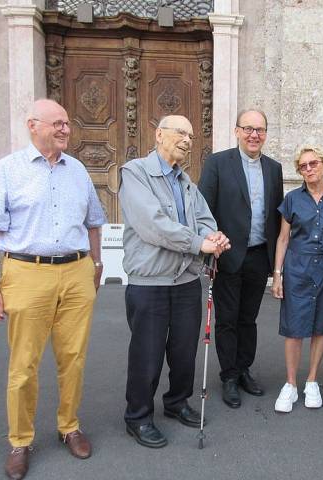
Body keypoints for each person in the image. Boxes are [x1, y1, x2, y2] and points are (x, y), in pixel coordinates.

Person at [0, 99, 106, 480]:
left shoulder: (78, 170)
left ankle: (70, 426)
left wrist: (96, 266)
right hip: (26, 272)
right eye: (57, 123)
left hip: (76, 271)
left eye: (67, 123)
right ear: (33, 125)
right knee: (23, 366)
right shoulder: (8, 170)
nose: (66, 129)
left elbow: (94, 222)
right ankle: (20, 440)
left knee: (74, 358)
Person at [119, 115, 230, 448]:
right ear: (159, 134)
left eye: (192, 135)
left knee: (183, 352)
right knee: (147, 354)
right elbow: (153, 224)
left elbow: (205, 221)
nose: (187, 140)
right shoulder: (135, 172)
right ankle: (137, 417)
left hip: (184, 281)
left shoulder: (187, 184)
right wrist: (200, 243)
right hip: (150, 282)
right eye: (181, 132)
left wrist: (215, 237)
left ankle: (177, 402)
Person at [198, 109, 284, 408]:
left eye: (259, 129)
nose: (254, 135)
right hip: (228, 254)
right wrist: (212, 244)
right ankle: (229, 376)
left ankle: (245, 369)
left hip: (260, 255)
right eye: (248, 128)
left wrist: (277, 264)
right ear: (237, 131)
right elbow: (203, 209)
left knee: (248, 318)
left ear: (265, 134)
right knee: (227, 319)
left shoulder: (274, 169)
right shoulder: (218, 163)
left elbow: (277, 215)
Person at [272, 146, 323, 413]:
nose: (308, 169)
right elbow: (283, 238)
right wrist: (277, 275)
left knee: (321, 327)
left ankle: (312, 380)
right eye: (302, 166)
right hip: (298, 269)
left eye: (312, 163)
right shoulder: (292, 199)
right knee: (294, 328)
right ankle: (291, 384)